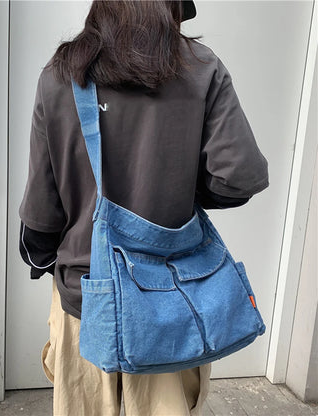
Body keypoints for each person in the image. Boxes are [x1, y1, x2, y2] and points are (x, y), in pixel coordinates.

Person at [18, 1, 269, 415]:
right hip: (170, 304)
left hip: (84, 298)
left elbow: (41, 220)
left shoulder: (62, 75)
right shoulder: (200, 67)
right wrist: (180, 189)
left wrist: (49, 256)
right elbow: (238, 179)